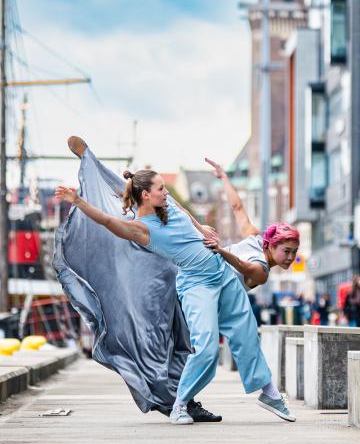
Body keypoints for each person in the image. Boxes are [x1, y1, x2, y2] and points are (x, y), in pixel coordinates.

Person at [55, 139, 294, 426]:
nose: (166, 192)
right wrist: (78, 201)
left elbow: (183, 209)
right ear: (145, 195)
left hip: (223, 276)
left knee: (246, 336)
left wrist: (199, 226)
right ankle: (180, 404)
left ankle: (269, 393)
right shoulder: (142, 230)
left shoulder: (168, 206)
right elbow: (107, 220)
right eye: (160, 189)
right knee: (205, 347)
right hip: (197, 285)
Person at [203, 158, 300, 289]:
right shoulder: (262, 273)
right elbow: (242, 265)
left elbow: (237, 208)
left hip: (202, 268)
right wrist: (220, 250)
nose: (291, 257)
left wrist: (223, 177)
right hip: (202, 283)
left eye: (294, 252)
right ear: (271, 246)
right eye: (287, 251)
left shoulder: (254, 237)